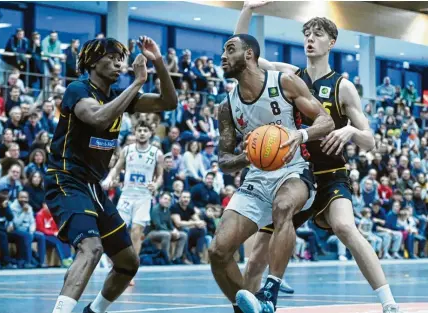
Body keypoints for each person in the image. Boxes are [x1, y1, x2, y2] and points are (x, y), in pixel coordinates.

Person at [234, 2, 399, 313]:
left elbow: (370, 141)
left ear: (331, 42)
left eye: (317, 34)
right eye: (306, 33)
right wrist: (247, 10)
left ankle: (389, 303)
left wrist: (349, 131)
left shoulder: (343, 87)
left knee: (345, 226)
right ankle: (250, 306)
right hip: (292, 176)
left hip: (330, 173)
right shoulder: (289, 76)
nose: (310, 38)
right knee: (257, 253)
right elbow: (242, 56)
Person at [44, 36, 176, 313]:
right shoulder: (78, 89)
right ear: (93, 61)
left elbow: (168, 102)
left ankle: (94, 311)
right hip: (66, 179)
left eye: (122, 60)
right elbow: (97, 118)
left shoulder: (118, 97)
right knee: (91, 248)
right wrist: (138, 82)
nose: (119, 64)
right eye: (113, 58)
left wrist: (159, 62)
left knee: (129, 262)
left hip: (94, 188)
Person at [208, 29, 334, 313]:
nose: (222, 56)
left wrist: (300, 135)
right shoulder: (226, 106)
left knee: (283, 206)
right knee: (217, 252)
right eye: (223, 51)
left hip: (294, 170)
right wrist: (248, 155)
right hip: (255, 178)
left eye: (230, 49)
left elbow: (326, 122)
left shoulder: (285, 82)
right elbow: (224, 160)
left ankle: (270, 291)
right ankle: (246, 307)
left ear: (249, 54)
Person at [102, 120, 164, 276]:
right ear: (134, 133)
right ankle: (115, 262)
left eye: (145, 130)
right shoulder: (127, 150)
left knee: (136, 231)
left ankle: (131, 268)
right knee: (118, 230)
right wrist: (109, 179)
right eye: (139, 130)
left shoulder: (157, 153)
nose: (142, 133)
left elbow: (160, 176)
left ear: (150, 133)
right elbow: (116, 168)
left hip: (143, 197)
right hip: (127, 195)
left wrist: (155, 185)